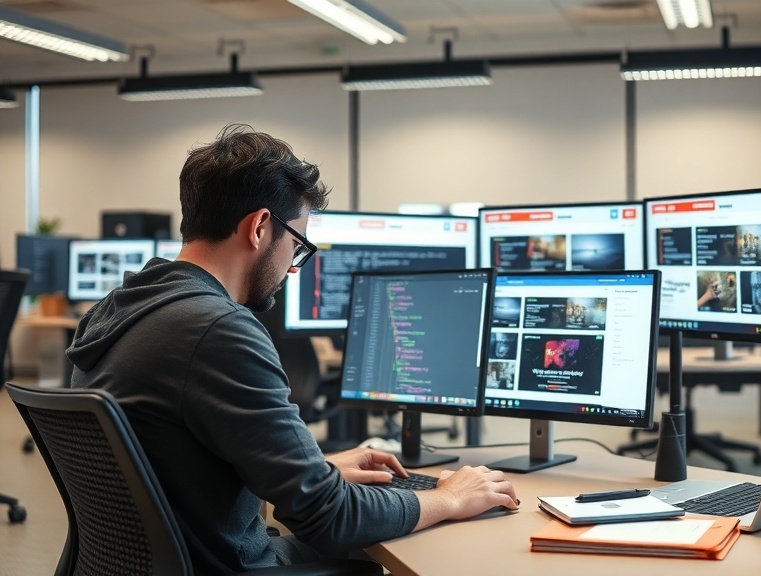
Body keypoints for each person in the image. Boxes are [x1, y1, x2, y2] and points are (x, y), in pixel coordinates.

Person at [66, 124, 518, 573]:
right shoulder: (218, 329)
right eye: (297, 245)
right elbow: (330, 520)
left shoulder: (117, 310)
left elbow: (176, 465)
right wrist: (450, 497)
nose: (293, 267)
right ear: (260, 227)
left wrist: (313, 468)